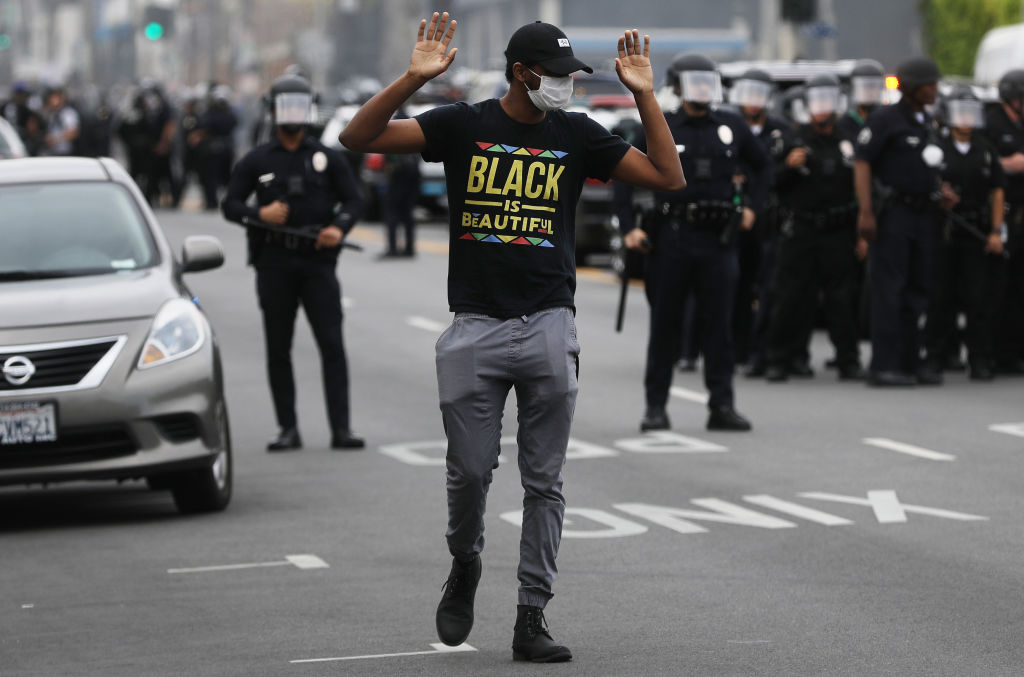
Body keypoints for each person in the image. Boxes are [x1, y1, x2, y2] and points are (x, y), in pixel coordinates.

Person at [339, 13, 683, 662]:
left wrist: (644, 95)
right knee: (470, 471)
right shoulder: (463, 125)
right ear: (522, 74)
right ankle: (465, 559)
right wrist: (412, 79)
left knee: (544, 481)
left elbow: (669, 177)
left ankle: (532, 613)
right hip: (475, 326)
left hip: (550, 321)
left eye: (572, 74)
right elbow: (357, 138)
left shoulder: (576, 134)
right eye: (556, 74)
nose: (566, 85)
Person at [617, 52, 769, 434]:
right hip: (673, 237)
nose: (702, 89)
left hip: (719, 240)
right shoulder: (663, 125)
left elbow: (764, 166)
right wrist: (629, 228)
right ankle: (655, 408)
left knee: (720, 326)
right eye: (694, 82)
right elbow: (622, 171)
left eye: (707, 82)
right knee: (665, 325)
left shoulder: (731, 125)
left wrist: (753, 206)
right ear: (678, 86)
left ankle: (722, 406)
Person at [223, 73, 366, 452]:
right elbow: (230, 205)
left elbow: (354, 200)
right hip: (274, 263)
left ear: (310, 110)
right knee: (278, 347)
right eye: (285, 107)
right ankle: (287, 428)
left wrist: (338, 227)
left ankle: (341, 428)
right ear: (272, 111)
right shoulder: (257, 160)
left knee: (332, 345)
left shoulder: (327, 158)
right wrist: (259, 213)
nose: (293, 114)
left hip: (318, 263)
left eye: (299, 107)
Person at [763, 73, 866, 382]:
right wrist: (788, 166)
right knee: (791, 296)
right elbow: (770, 181)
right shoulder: (793, 138)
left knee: (841, 298)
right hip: (802, 229)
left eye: (828, 101)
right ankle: (781, 358)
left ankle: (848, 360)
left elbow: (862, 187)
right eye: (818, 102)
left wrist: (862, 233)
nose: (823, 108)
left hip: (839, 228)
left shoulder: (849, 140)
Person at [854, 56, 944, 386]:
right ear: (913, 87)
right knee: (889, 289)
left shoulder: (927, 121)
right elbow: (862, 162)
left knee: (918, 289)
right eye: (929, 85)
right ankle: (884, 364)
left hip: (923, 214)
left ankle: (910, 360)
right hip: (893, 214)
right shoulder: (885, 119)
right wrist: (866, 212)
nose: (934, 90)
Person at [923, 86, 1006, 380]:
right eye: (960, 113)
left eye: (971, 113)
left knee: (978, 298)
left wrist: (996, 230)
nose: (966, 119)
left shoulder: (986, 149)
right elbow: (924, 184)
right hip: (944, 232)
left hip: (976, 231)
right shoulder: (936, 148)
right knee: (940, 297)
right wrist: (940, 195)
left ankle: (979, 358)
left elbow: (997, 191)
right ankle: (935, 357)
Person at [726, 68, 796, 378]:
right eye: (748, 94)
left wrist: (788, 166)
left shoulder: (782, 130)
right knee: (735, 285)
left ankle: (763, 352)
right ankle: (737, 349)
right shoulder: (729, 126)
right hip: (736, 217)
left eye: (759, 95)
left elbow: (778, 173)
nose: (753, 101)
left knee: (770, 287)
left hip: (770, 218)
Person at [983, 68, 1024, 375]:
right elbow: (979, 160)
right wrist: (1010, 163)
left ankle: (1014, 351)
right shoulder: (991, 123)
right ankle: (992, 351)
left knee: (1019, 287)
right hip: (1001, 213)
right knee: (997, 286)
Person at [379, 107, 421, 258]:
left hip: (398, 175)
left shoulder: (394, 125)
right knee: (407, 212)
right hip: (413, 174)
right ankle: (409, 248)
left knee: (391, 211)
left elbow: (388, 153)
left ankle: (392, 248)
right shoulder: (414, 124)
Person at [198, 85, 238, 210]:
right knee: (222, 177)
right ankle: (225, 201)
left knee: (212, 177)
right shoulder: (228, 114)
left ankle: (213, 202)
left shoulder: (211, 114)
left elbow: (204, 127)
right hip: (223, 148)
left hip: (215, 149)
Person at [837, 59, 886, 142]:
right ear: (854, 89)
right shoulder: (844, 124)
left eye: (873, 87)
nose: (869, 92)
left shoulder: (887, 120)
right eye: (864, 87)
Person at [39, 86, 80, 157]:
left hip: (65, 153)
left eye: (55, 98)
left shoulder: (68, 113)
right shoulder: (49, 113)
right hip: (50, 152)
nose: (52, 101)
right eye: (51, 98)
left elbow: (73, 133)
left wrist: (55, 139)